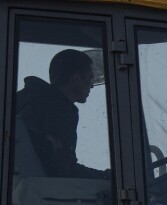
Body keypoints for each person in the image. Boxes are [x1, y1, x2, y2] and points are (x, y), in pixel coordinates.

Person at [14, 49, 108, 180]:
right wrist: (107, 176)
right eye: (90, 78)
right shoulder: (59, 110)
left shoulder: (27, 101)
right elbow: (65, 171)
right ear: (76, 79)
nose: (92, 85)